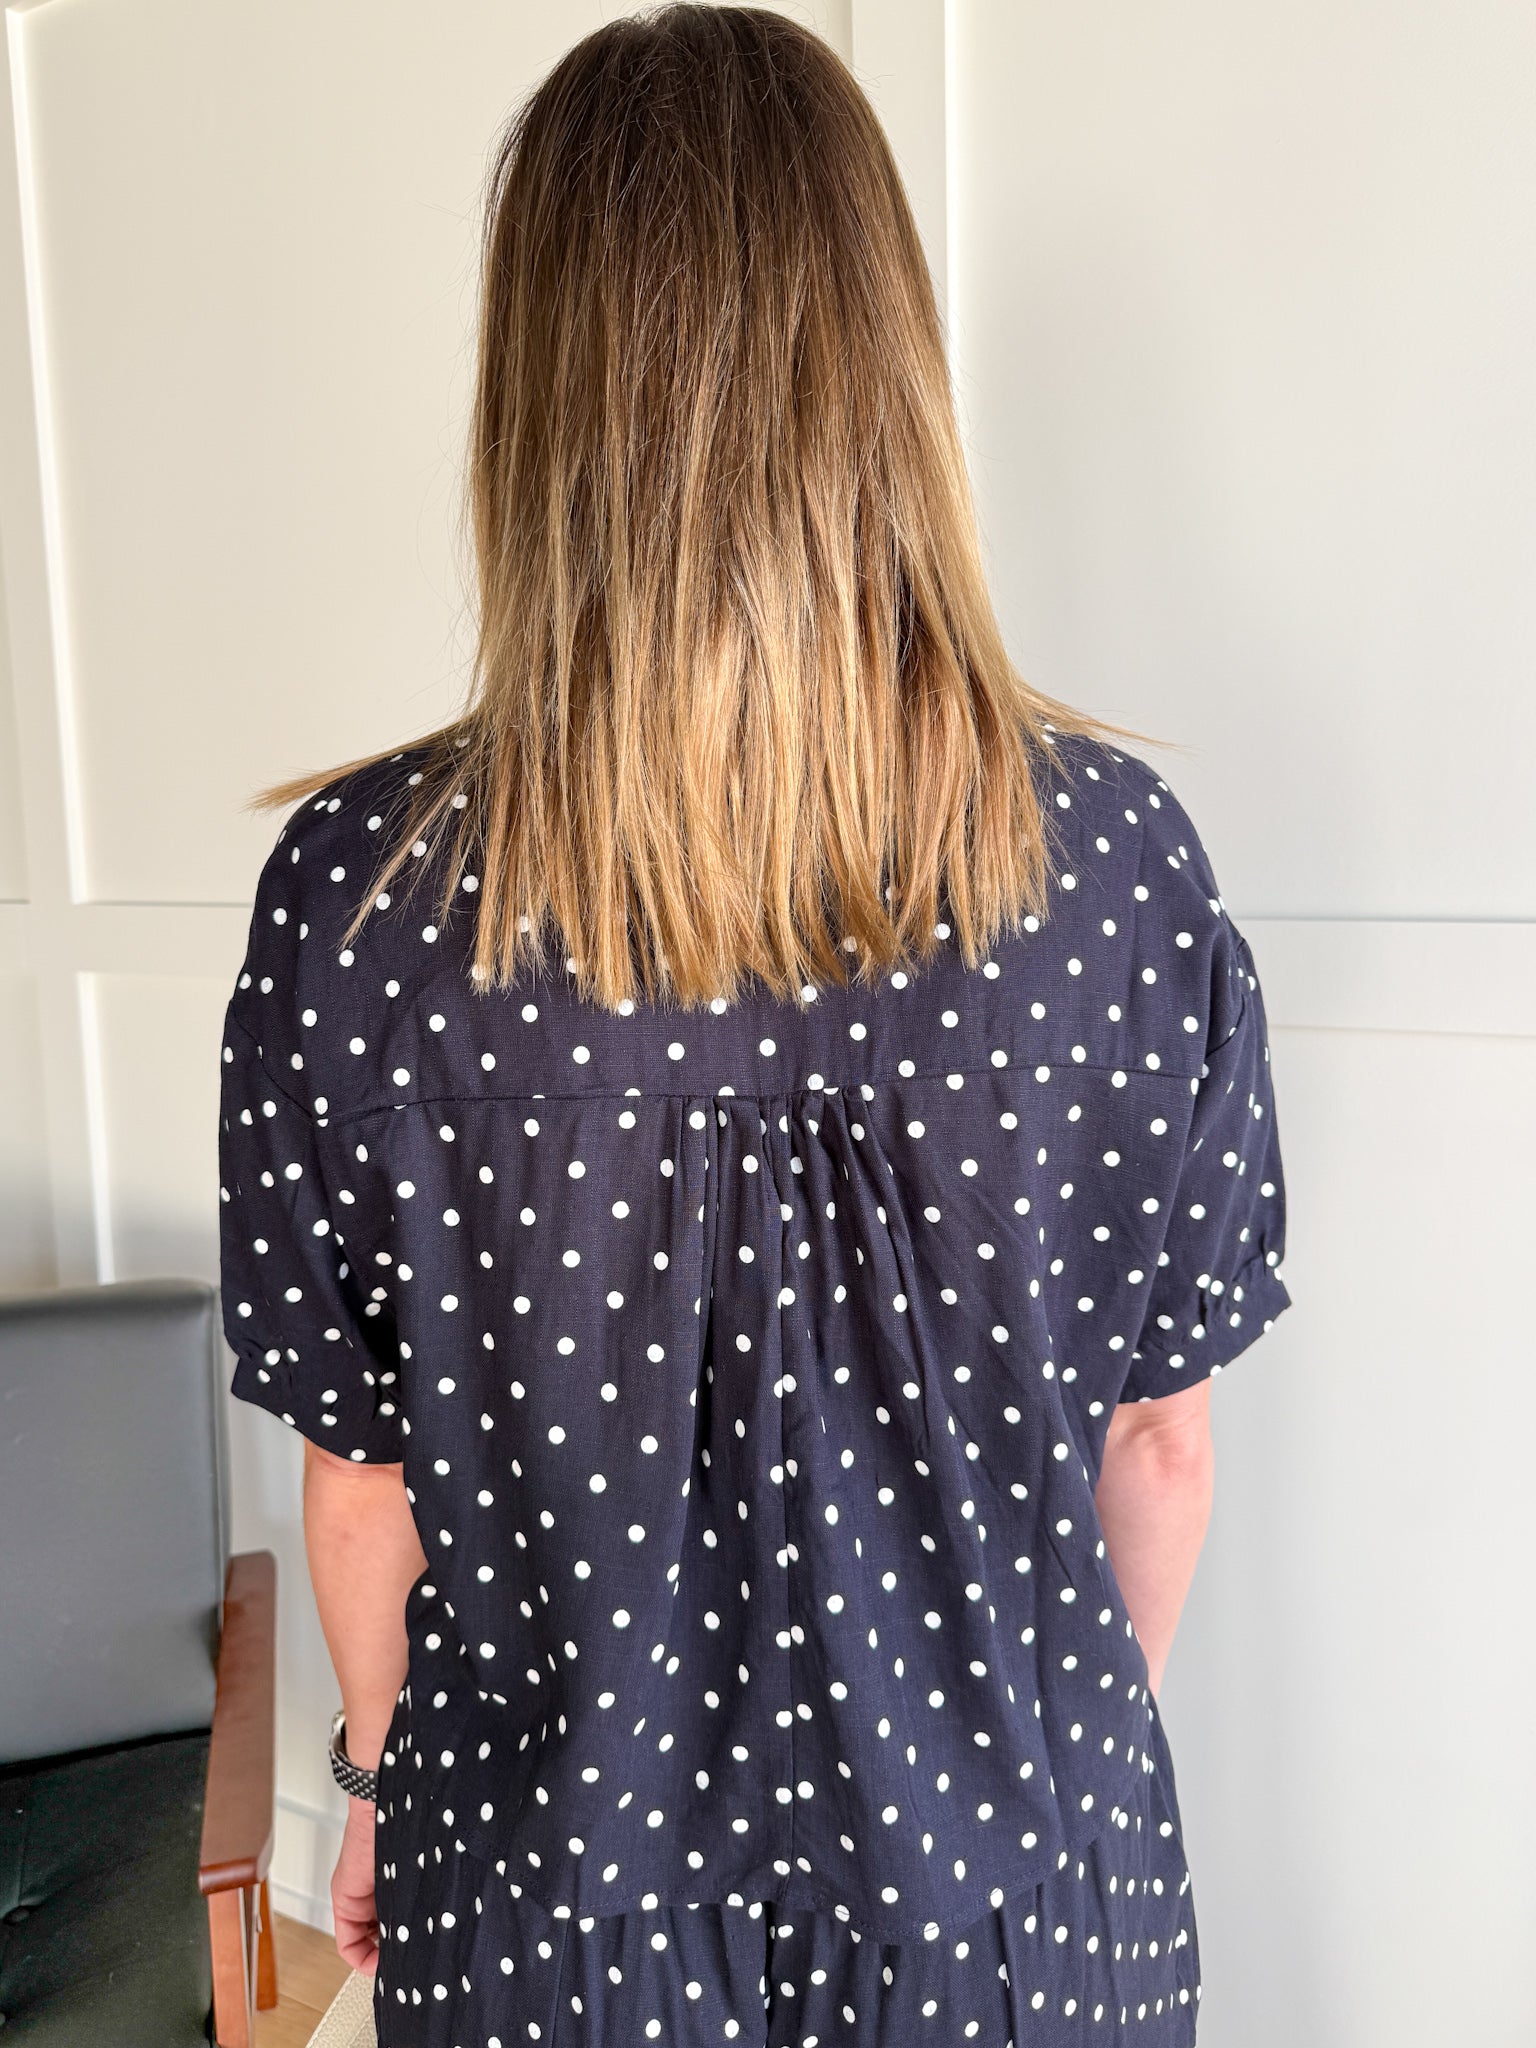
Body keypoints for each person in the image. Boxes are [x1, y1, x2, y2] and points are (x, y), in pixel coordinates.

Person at [216, 7, 1292, 2043]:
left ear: (539, 392)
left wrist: (373, 1772)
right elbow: (1158, 1443)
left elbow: (365, 1489)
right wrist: (1051, 1787)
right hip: (1021, 1925)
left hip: (551, 1927)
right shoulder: (1114, 867)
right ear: (887, 368)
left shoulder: (365, 897)